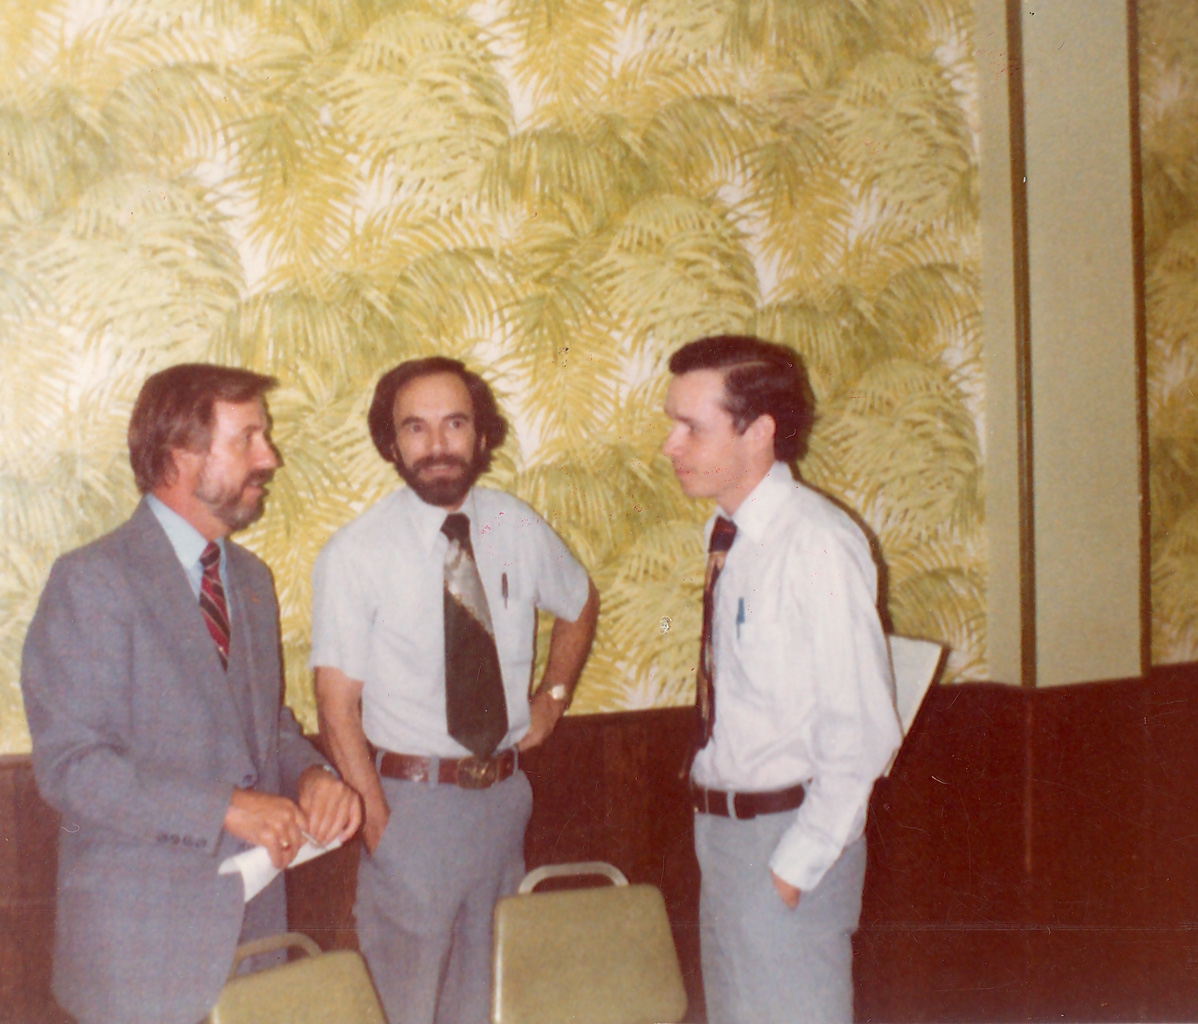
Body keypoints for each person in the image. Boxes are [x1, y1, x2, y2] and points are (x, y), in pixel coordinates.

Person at [20, 364, 362, 1024]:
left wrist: (314, 776)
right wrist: (225, 808)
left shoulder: (252, 580)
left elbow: (264, 726)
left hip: (256, 934)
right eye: (248, 438)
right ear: (181, 455)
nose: (269, 457)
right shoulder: (92, 580)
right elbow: (73, 768)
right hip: (140, 952)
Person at [311, 356, 599, 1024]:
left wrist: (552, 698)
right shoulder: (357, 553)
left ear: (482, 435)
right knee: (406, 1009)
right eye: (415, 428)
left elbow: (579, 603)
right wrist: (380, 827)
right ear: (390, 444)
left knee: (492, 1003)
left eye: (454, 424)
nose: (436, 444)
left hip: (503, 802)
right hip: (411, 810)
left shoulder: (514, 526)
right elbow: (335, 706)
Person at [662, 335, 902, 1024]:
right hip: (724, 837)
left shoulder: (815, 543)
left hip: (788, 837)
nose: (670, 446)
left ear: (760, 431)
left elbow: (863, 730)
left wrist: (794, 868)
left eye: (692, 428)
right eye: (672, 424)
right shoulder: (727, 533)